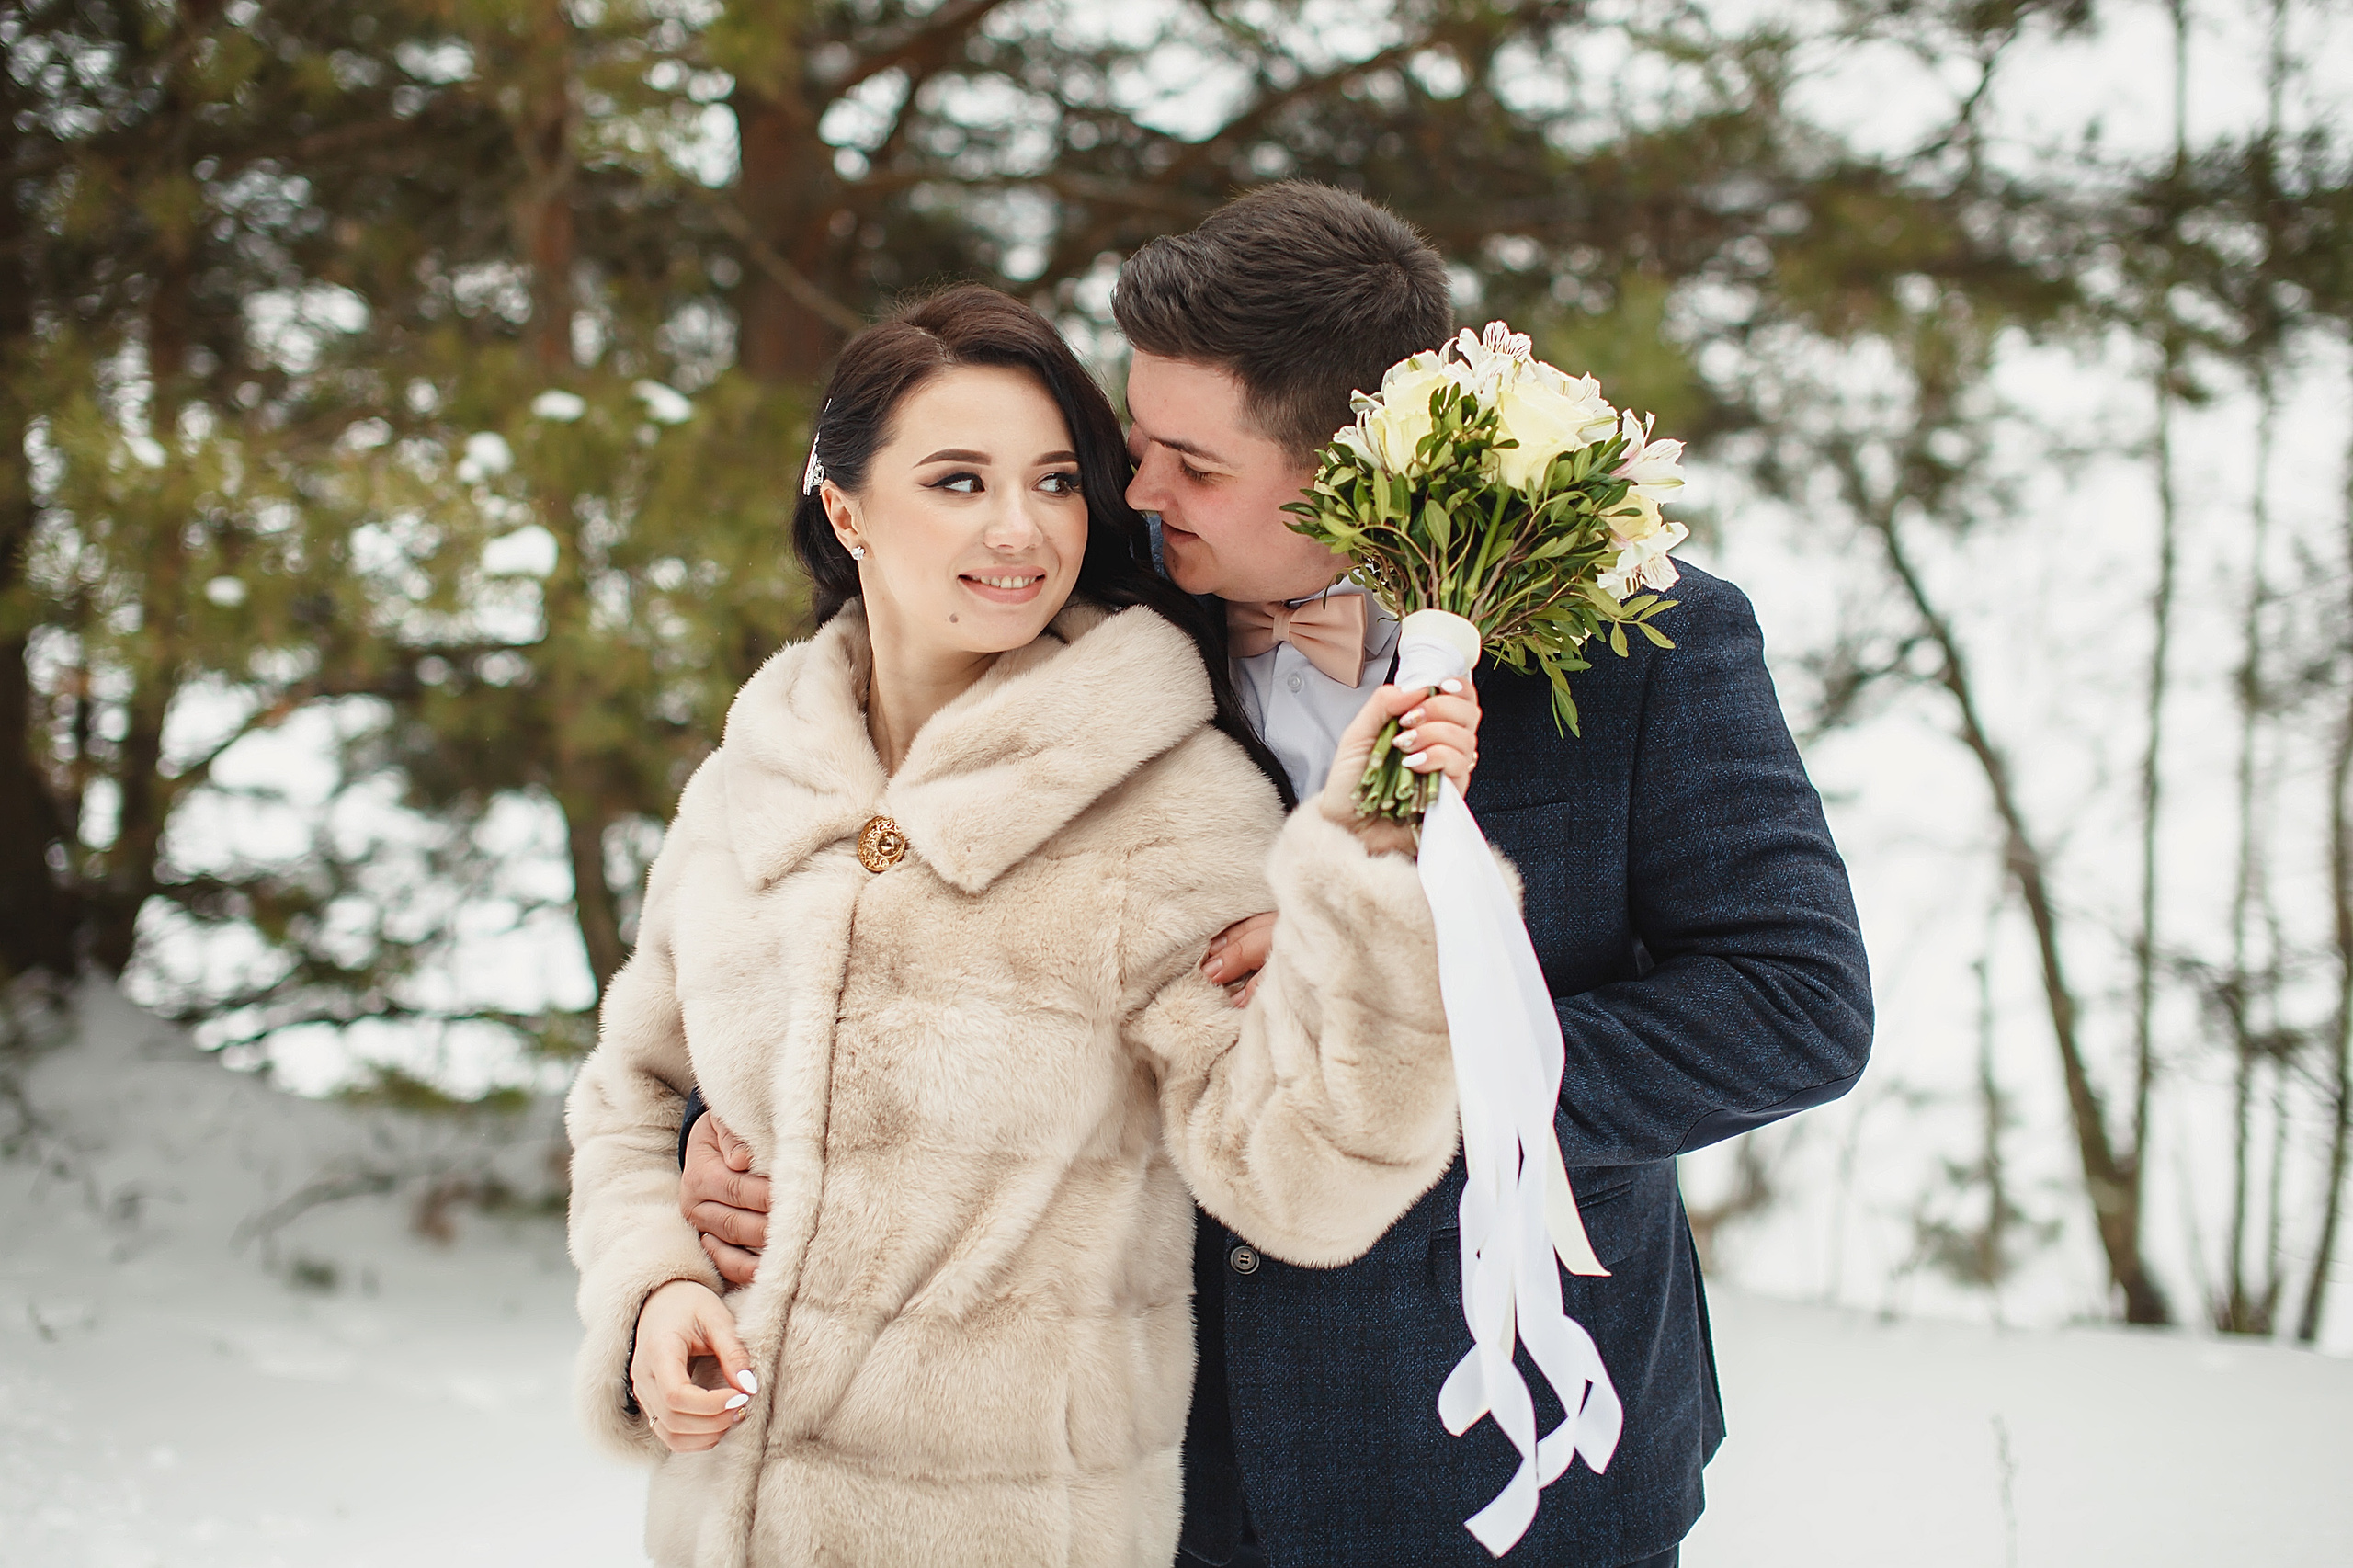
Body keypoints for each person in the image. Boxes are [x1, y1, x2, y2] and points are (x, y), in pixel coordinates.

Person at [679, 186, 1874, 1568]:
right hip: (1156, 1471)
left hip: (1517, 1469)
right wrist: (730, 1116)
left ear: (1357, 463)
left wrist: (1402, 1065)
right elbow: (862, 868)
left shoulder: (1650, 649)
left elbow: (1794, 1005)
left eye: (1194, 464)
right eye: (1136, 444)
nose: (1136, 493)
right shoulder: (1090, 624)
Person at [564, 284, 1484, 1568]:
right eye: (956, 480)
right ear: (846, 508)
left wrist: (1371, 863)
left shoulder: (1167, 800)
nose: (1019, 528)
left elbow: (1305, 1184)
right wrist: (656, 1283)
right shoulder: (748, 780)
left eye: (1056, 480)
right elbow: (631, 1091)